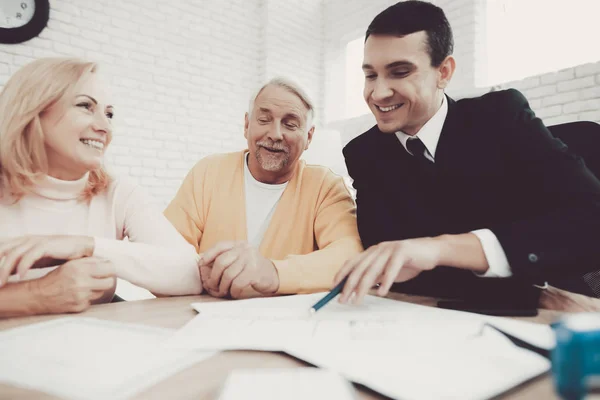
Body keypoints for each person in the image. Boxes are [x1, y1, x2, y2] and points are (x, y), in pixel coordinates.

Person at [335, 0, 600, 306]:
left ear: (443, 72)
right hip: (434, 313)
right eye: (370, 75)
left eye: (400, 72)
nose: (378, 93)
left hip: (542, 304)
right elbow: (387, 254)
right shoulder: (363, 153)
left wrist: (442, 249)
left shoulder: (501, 116)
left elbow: (591, 218)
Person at [0, 57, 202, 317]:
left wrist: (87, 246)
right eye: (85, 106)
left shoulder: (117, 192)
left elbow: (191, 274)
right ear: (32, 111)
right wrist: (37, 295)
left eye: (109, 114)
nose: (105, 127)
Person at [165, 77, 363, 299]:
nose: (275, 134)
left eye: (290, 124)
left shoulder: (325, 187)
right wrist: (201, 274)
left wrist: (273, 273)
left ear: (308, 137)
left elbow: (349, 254)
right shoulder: (208, 172)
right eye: (264, 119)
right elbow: (165, 248)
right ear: (247, 125)